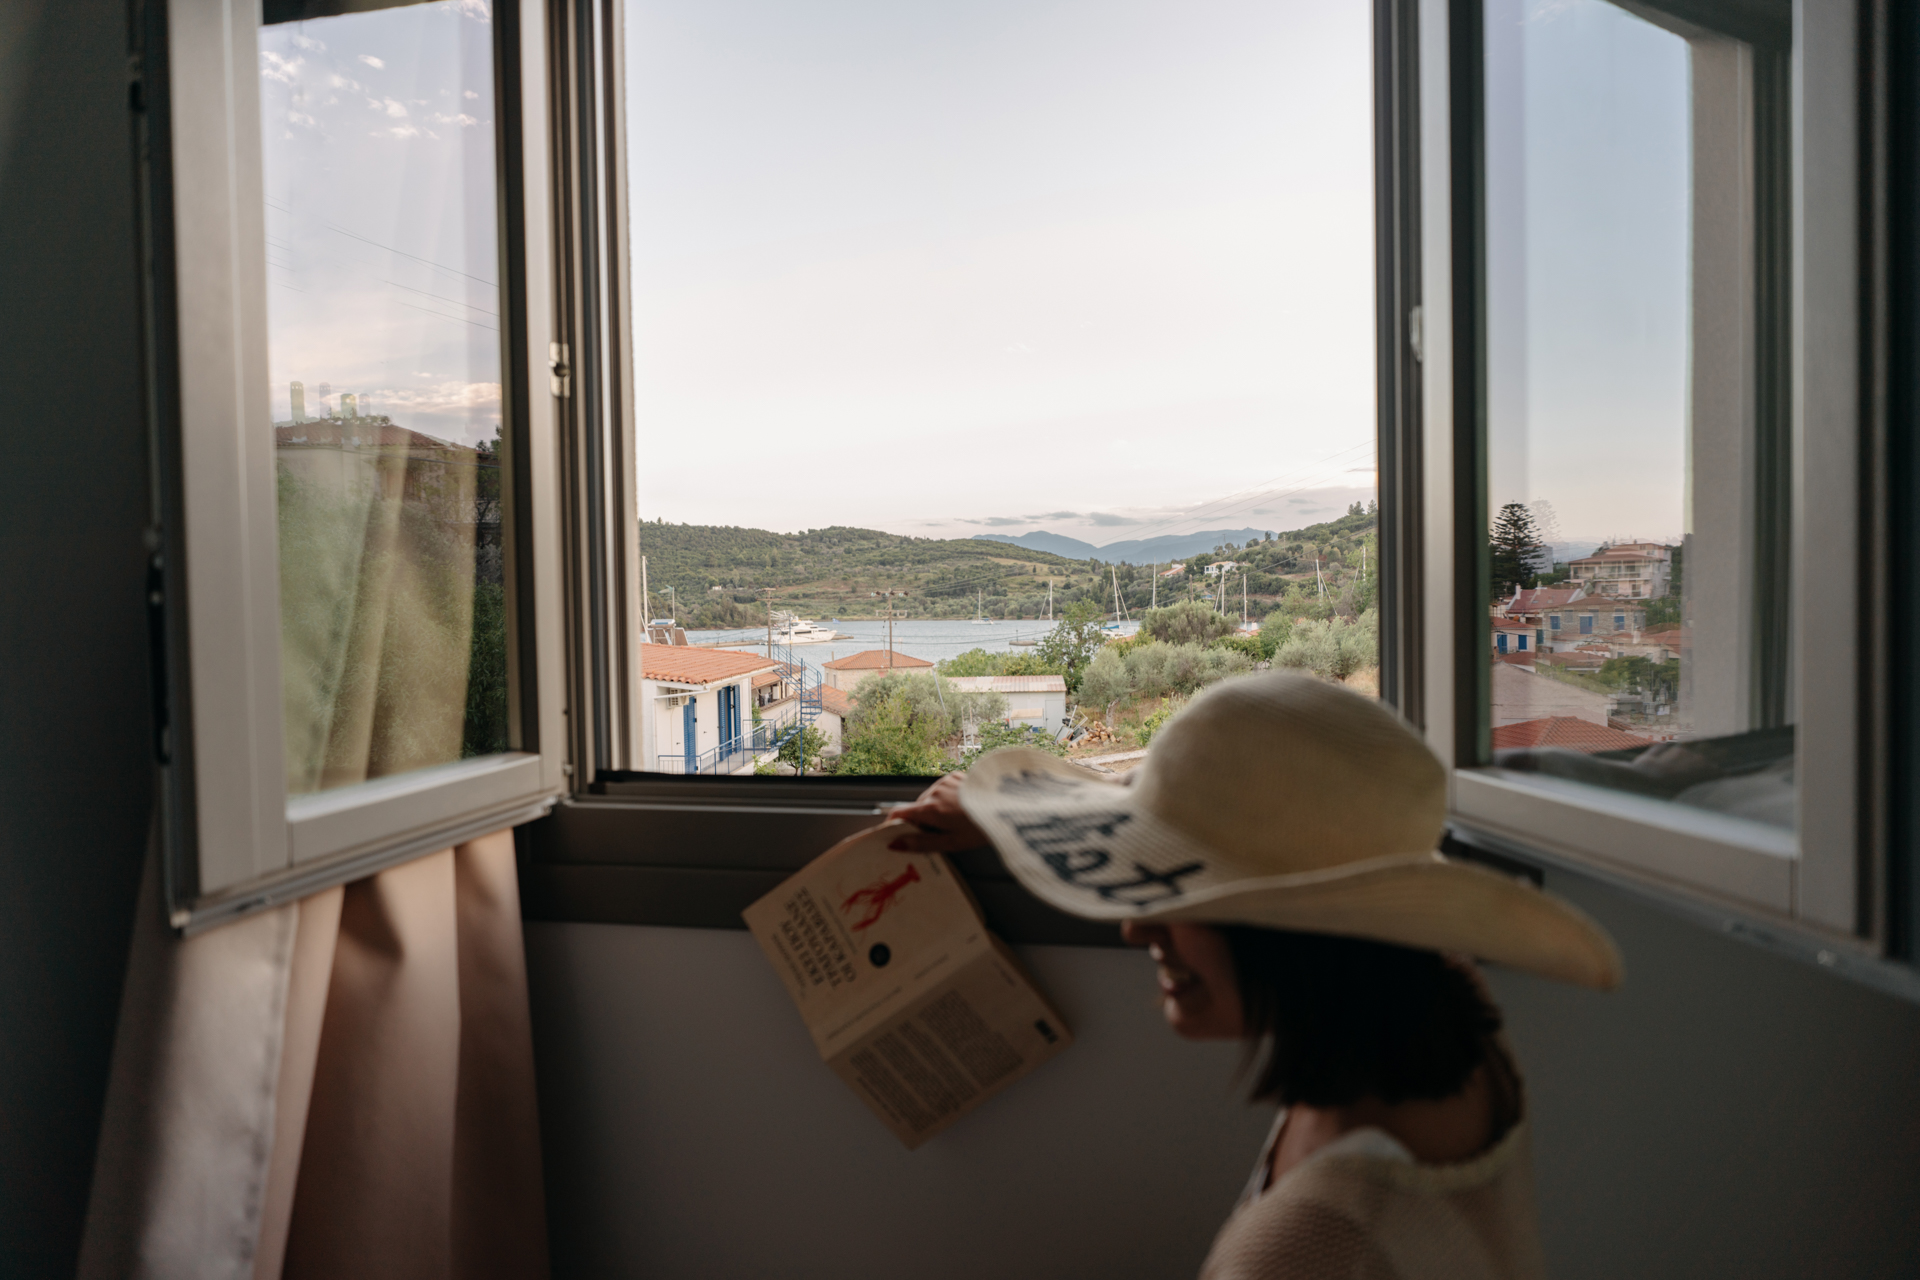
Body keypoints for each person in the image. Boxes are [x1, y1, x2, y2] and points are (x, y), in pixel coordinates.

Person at [889, 671, 1621, 1280]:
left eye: (1187, 902)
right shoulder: (1450, 1017)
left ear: (1291, 932)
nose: (1137, 929)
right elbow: (1282, 832)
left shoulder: (1306, 1250)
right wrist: (1019, 822)